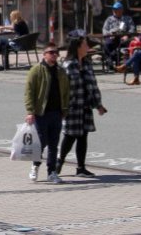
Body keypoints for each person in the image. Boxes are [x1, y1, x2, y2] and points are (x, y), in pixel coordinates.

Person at [58, 34, 107, 178]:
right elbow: (62, 88)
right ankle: (59, 162)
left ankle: (81, 168)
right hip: (72, 106)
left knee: (83, 137)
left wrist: (98, 105)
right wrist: (63, 106)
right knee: (70, 136)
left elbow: (93, 85)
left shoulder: (86, 63)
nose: (88, 47)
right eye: (85, 44)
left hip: (85, 105)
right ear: (78, 47)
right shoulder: (67, 65)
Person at [24, 42, 70, 184]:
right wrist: (30, 111)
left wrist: (65, 109)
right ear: (44, 55)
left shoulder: (61, 72)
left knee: (54, 143)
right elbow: (29, 92)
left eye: (56, 52)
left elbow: (66, 92)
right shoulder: (36, 70)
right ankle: (35, 166)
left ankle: (52, 172)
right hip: (41, 113)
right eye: (51, 52)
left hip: (56, 113)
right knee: (41, 142)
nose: (54, 55)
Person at [101, 2, 135, 69]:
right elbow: (104, 30)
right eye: (114, 10)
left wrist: (127, 35)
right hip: (112, 37)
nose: (115, 11)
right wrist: (109, 34)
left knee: (124, 44)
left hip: (122, 36)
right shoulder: (109, 19)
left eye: (117, 9)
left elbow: (132, 28)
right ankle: (110, 60)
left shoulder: (127, 19)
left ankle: (113, 60)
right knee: (106, 44)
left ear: (122, 10)